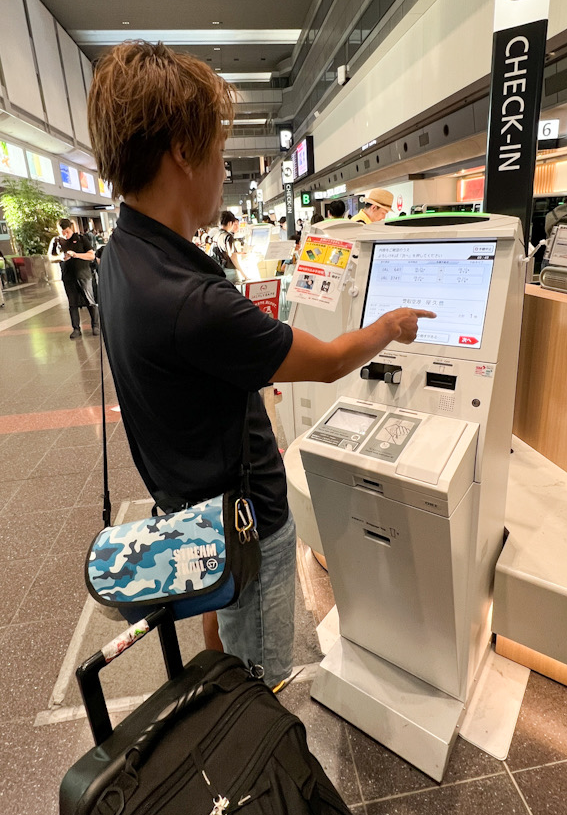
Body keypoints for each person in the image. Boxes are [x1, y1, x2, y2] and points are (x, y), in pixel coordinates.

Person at [87, 40, 434, 688]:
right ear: (183, 154)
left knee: (221, 627)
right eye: (220, 154)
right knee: (260, 674)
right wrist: (391, 326)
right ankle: (250, 755)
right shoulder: (193, 299)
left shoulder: (120, 257)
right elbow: (329, 363)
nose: (225, 171)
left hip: (186, 509)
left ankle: (223, 685)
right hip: (247, 523)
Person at [48, 218, 99, 339]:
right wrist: (60, 257)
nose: (65, 235)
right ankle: (76, 329)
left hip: (84, 275)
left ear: (71, 229)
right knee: (73, 304)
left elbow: (91, 255)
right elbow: (50, 258)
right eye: (62, 232)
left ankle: (95, 325)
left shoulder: (81, 238)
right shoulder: (56, 241)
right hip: (68, 277)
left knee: (90, 301)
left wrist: (76, 255)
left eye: (67, 232)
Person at [211, 211, 247, 284]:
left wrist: (238, 253)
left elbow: (223, 250)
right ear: (230, 223)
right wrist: (244, 274)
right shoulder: (228, 236)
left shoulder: (217, 235)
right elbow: (232, 256)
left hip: (220, 269)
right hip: (230, 271)